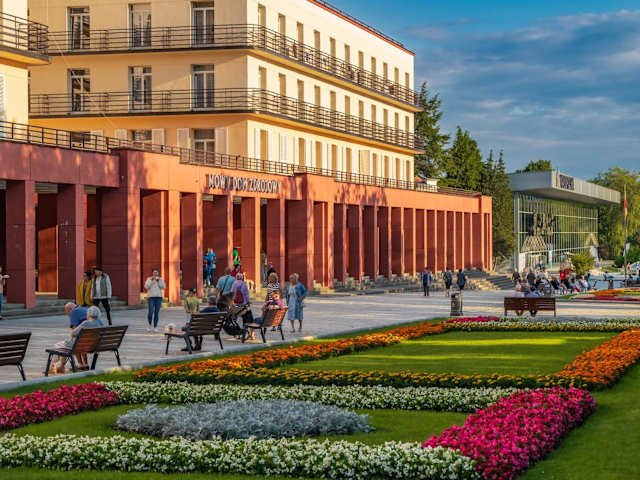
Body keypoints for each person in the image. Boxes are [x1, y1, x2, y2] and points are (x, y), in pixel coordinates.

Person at [49, 304, 102, 374]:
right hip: (93, 346)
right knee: (66, 345)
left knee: (57, 346)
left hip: (79, 345)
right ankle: (61, 367)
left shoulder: (86, 323)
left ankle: (54, 368)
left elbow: (73, 333)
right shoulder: (100, 323)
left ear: (88, 315)